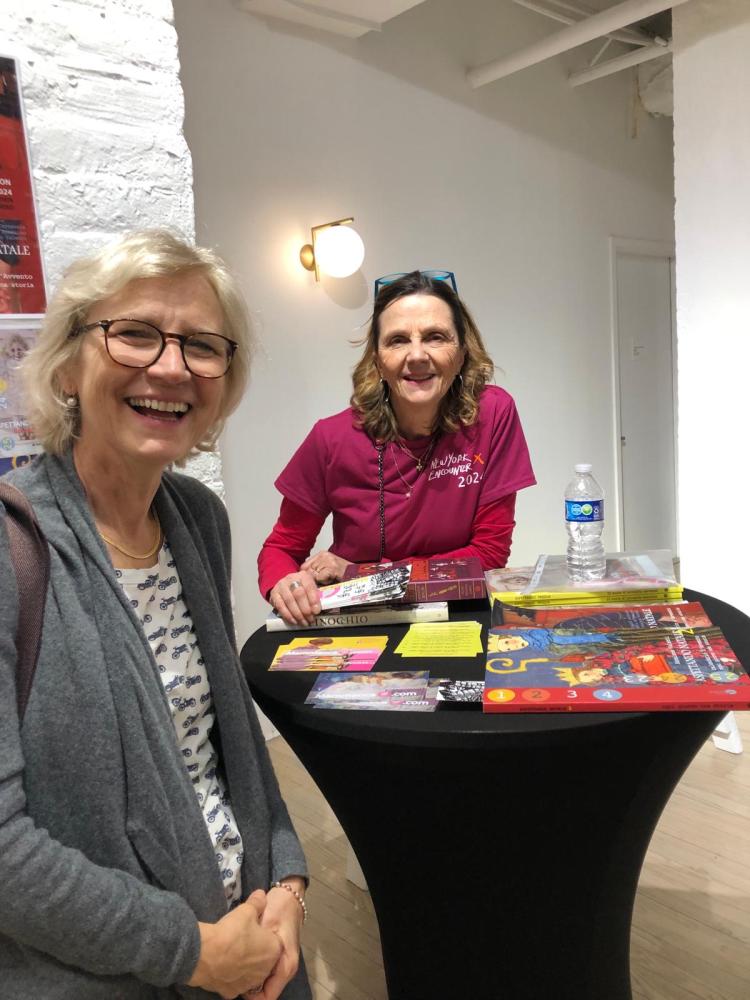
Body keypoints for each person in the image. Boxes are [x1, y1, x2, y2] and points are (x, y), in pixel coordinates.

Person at [0, 230, 310, 1000]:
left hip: (248, 947)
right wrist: (192, 952)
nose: (172, 367)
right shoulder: (11, 548)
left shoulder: (199, 519)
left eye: (202, 345)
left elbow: (230, 745)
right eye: (134, 333)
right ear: (67, 365)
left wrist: (288, 882)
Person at [259, 269, 536, 626]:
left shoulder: (493, 414)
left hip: (459, 615)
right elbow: (281, 548)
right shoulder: (331, 438)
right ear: (377, 360)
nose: (417, 355)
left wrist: (361, 574)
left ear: (462, 353)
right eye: (398, 340)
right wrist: (286, 584)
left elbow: (488, 555)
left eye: (435, 337)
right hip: (361, 619)